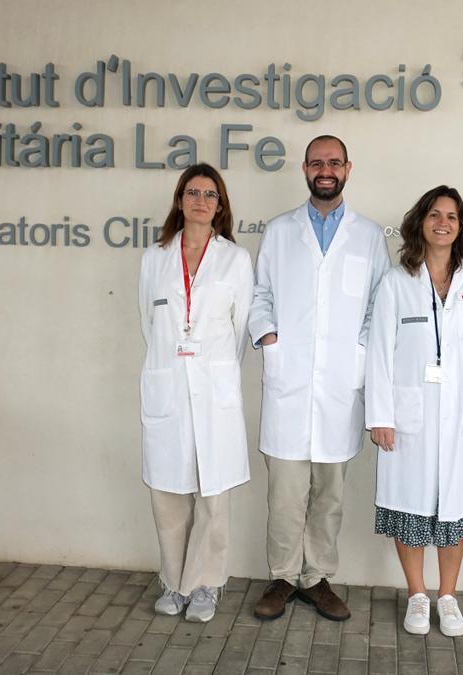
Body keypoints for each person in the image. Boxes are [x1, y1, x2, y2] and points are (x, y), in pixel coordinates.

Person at [248, 135, 391, 622]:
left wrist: (359, 352)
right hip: (289, 382)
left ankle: (317, 578)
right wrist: (269, 339)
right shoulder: (280, 230)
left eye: (334, 162)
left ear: (348, 168)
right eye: (317, 163)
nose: (325, 170)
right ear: (304, 169)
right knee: (285, 493)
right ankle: (284, 577)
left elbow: (380, 305)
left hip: (338, 386)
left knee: (328, 494)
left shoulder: (369, 236)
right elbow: (260, 293)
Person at [365, 185, 463, 637]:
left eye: (451, 216)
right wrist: (380, 416)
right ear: (420, 223)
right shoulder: (396, 281)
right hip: (408, 415)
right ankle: (416, 594)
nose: (443, 222)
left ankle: (447, 596)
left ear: (461, 226)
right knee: (407, 502)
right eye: (434, 215)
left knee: (456, 505)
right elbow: (379, 353)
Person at [137, 163, 254, 623]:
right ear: (179, 200)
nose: (200, 201)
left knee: (212, 497)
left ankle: (205, 585)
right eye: (191, 192)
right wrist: (175, 363)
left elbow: (240, 329)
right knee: (167, 495)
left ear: (220, 205)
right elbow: (149, 323)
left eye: (209, 194)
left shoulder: (235, 259)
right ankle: (172, 581)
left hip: (213, 389)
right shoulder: (154, 258)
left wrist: (214, 373)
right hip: (168, 384)